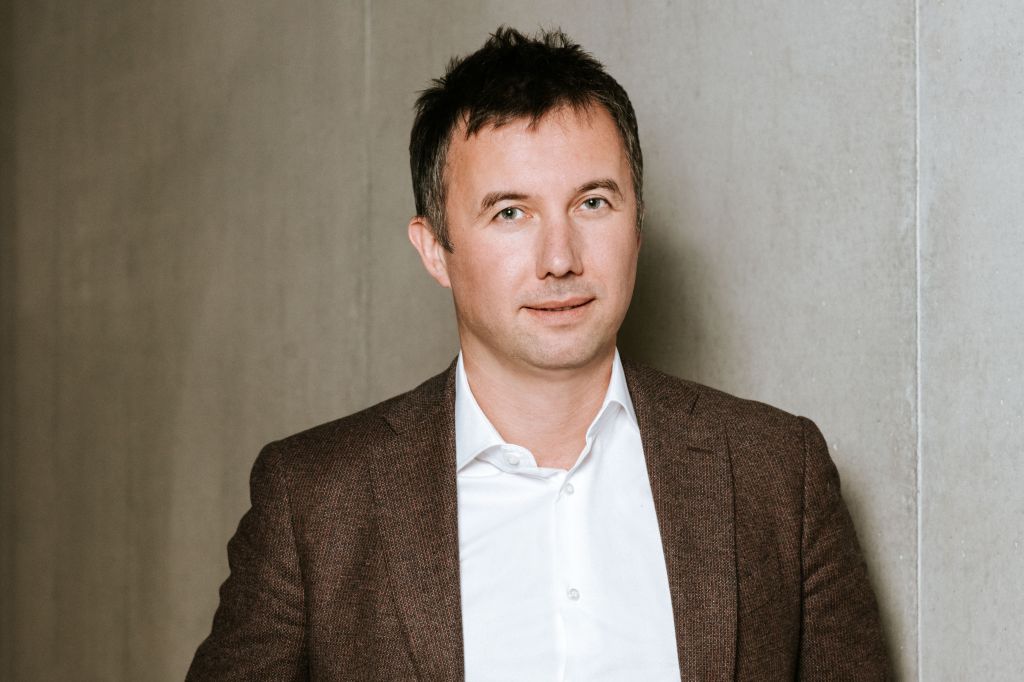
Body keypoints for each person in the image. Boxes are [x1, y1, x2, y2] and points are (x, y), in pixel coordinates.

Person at [187, 27, 890, 681]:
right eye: (510, 213)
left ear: (637, 223)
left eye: (593, 203)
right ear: (434, 249)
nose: (560, 258)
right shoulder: (313, 501)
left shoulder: (778, 473)